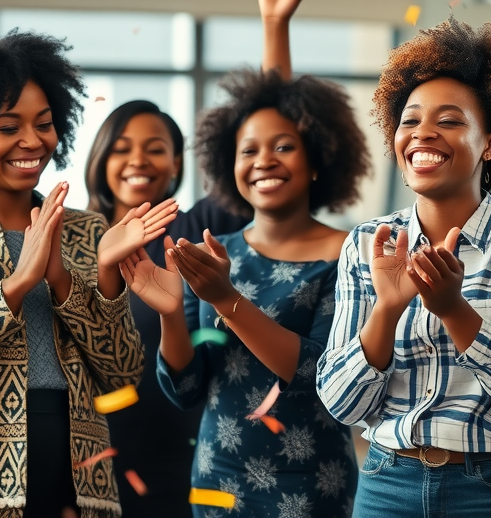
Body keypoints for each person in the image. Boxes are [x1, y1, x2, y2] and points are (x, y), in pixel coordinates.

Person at [316, 16, 491, 518]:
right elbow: (343, 406)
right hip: (388, 485)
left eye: (450, 120)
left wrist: (455, 312)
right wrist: (385, 312)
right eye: (410, 120)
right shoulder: (369, 243)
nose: (422, 133)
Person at [87, 0, 306, 513]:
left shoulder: (195, 231)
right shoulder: (73, 234)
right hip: (93, 446)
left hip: (188, 446)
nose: (139, 160)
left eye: (156, 148)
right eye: (124, 148)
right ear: (101, 160)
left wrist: (275, 24)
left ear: (178, 165)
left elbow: (272, 135)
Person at [0, 31, 174, 518]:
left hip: (82, 484)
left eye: (44, 124)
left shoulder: (87, 230)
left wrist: (78, 277)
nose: (33, 141)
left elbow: (122, 372)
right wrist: (16, 286)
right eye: (7, 127)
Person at [122, 45, 371, 518]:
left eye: (284, 146)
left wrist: (227, 299)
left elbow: (321, 375)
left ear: (316, 160)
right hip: (219, 479)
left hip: (314, 485)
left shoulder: (352, 251)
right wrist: (171, 312)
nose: (264, 160)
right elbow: (186, 386)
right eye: (248, 150)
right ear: (229, 165)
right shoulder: (214, 253)